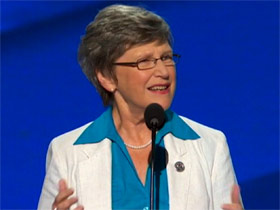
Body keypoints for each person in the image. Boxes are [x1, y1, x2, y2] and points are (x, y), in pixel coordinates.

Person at [38, 4, 243, 210]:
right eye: (144, 61)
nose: (163, 71)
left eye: (166, 58)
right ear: (107, 77)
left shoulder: (211, 146)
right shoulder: (66, 152)